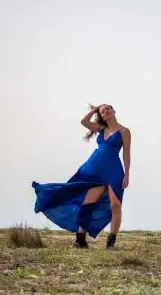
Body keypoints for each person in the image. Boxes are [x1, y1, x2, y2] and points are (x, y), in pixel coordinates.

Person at [31, 104, 131, 249]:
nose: (106, 112)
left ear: (114, 110)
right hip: (94, 168)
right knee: (87, 204)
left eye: (108, 109)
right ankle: (80, 240)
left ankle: (111, 241)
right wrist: (94, 110)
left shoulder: (124, 131)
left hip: (114, 169)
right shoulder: (101, 129)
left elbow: (126, 154)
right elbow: (84, 122)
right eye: (102, 112)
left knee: (115, 205)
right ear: (101, 116)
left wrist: (127, 174)